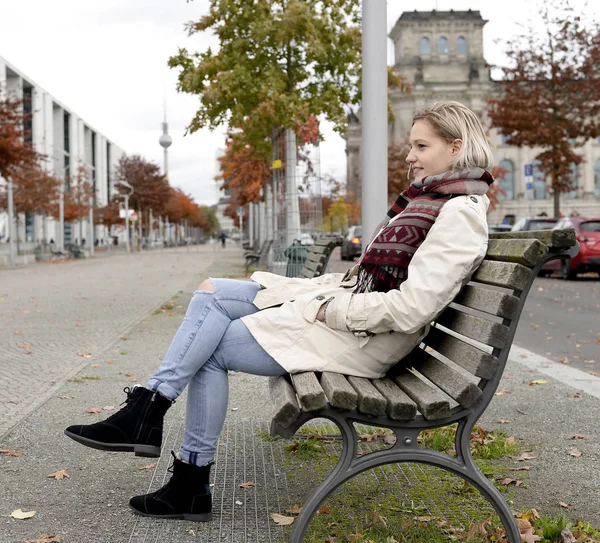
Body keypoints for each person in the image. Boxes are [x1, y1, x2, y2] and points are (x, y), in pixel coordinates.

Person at [65, 101, 494, 522]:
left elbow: (411, 309)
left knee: (209, 349)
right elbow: (366, 282)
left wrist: (328, 310)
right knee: (211, 291)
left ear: (455, 148)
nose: (409, 156)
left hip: (365, 339)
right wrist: (309, 294)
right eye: (411, 147)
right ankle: (150, 410)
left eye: (421, 147)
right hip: (351, 317)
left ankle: (183, 472)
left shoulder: (459, 213)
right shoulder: (428, 201)